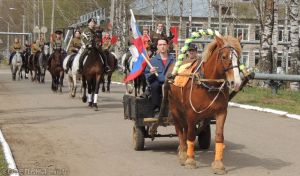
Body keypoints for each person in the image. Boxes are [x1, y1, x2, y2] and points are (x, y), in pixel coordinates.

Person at [144, 36, 174, 115]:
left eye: (164, 44)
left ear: (167, 46)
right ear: (157, 47)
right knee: (154, 86)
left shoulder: (173, 60)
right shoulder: (152, 61)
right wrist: (151, 72)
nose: (162, 46)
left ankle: (175, 109)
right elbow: (147, 76)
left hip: (171, 82)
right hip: (158, 82)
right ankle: (156, 109)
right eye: (160, 45)